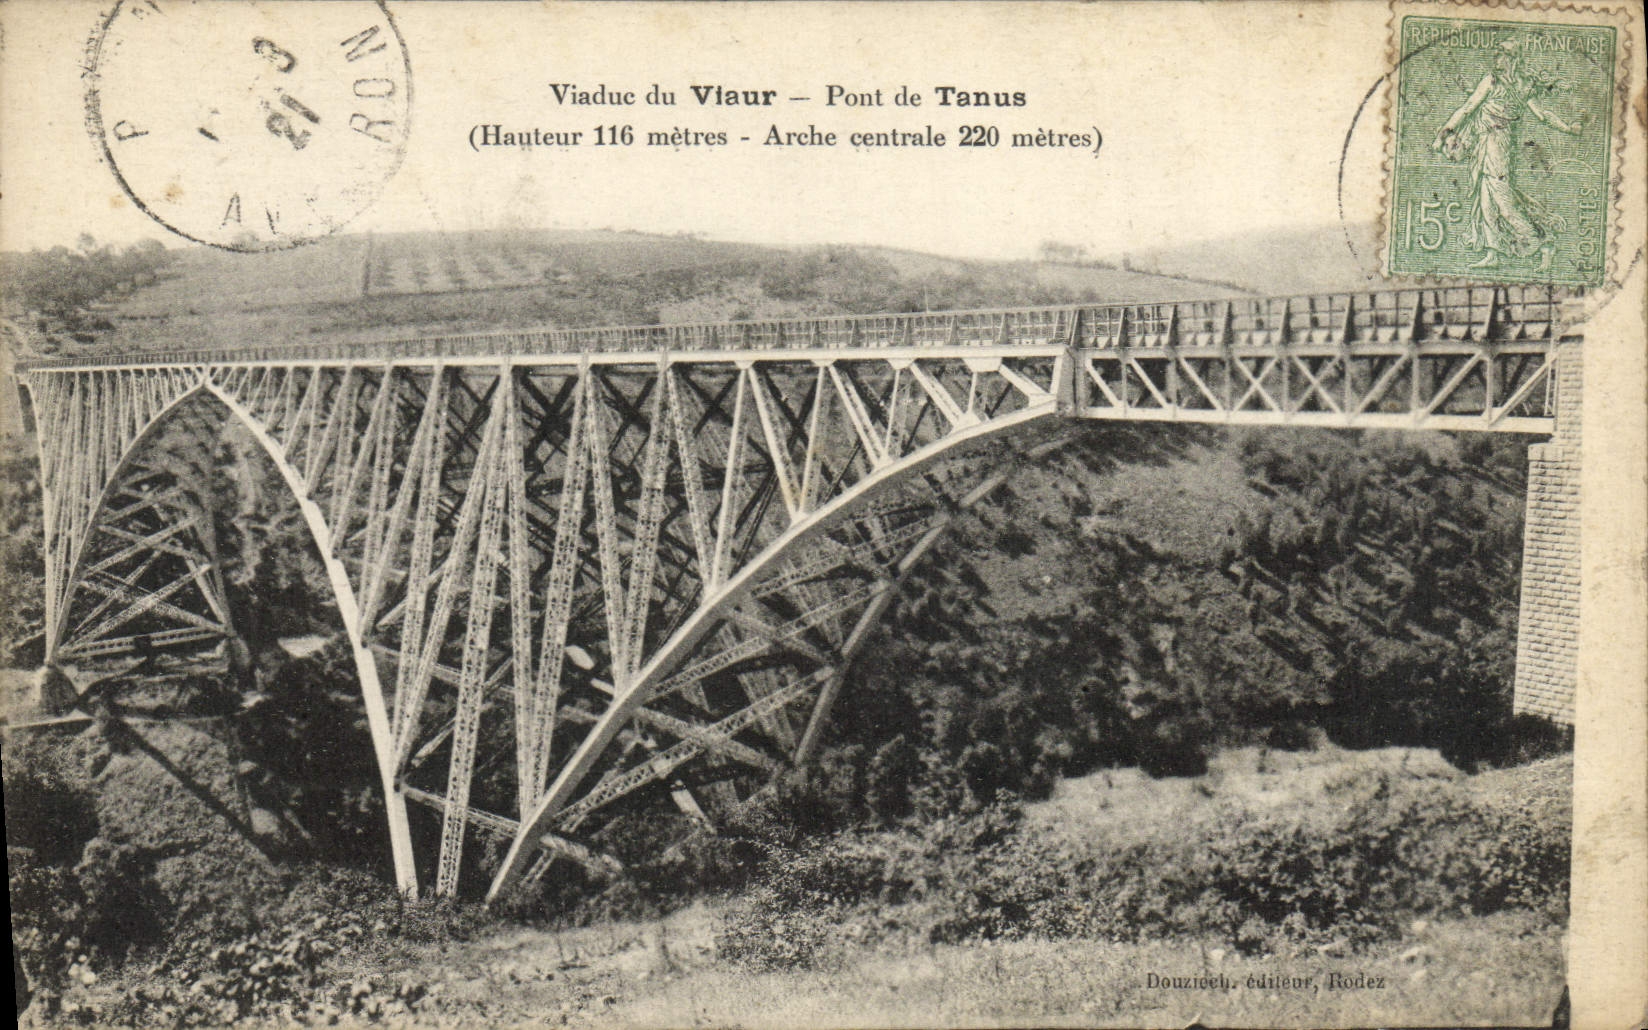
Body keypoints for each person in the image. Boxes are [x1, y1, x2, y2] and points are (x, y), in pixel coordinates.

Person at [1432, 36, 1585, 271]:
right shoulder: (1492, 80)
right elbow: (1467, 108)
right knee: (1486, 203)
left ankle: (1544, 244)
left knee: (1505, 203)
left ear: (1513, 59)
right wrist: (1445, 132)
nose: (1496, 58)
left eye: (1501, 54)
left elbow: (1542, 115)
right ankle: (1493, 253)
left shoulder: (1519, 85)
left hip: (1499, 146)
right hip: (1484, 144)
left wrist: (1568, 128)